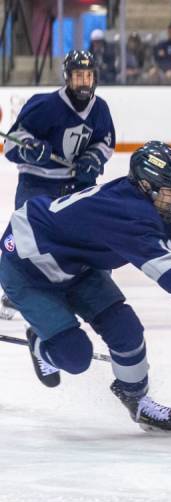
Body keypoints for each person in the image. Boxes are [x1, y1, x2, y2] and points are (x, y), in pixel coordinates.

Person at [0, 141, 171, 434]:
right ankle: (39, 344)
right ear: (146, 185)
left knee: (126, 330)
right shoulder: (126, 212)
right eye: (170, 188)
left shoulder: (158, 203)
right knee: (74, 356)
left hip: (78, 266)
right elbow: (165, 266)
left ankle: (136, 400)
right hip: (27, 268)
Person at [1, 50, 116, 320]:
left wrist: (93, 159)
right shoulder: (45, 105)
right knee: (26, 238)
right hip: (37, 184)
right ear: (67, 78)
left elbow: (106, 142)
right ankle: (17, 289)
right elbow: (11, 144)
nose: (84, 82)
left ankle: (90, 290)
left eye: (88, 76)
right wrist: (30, 150)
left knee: (90, 235)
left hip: (76, 185)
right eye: (78, 76)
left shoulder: (100, 109)